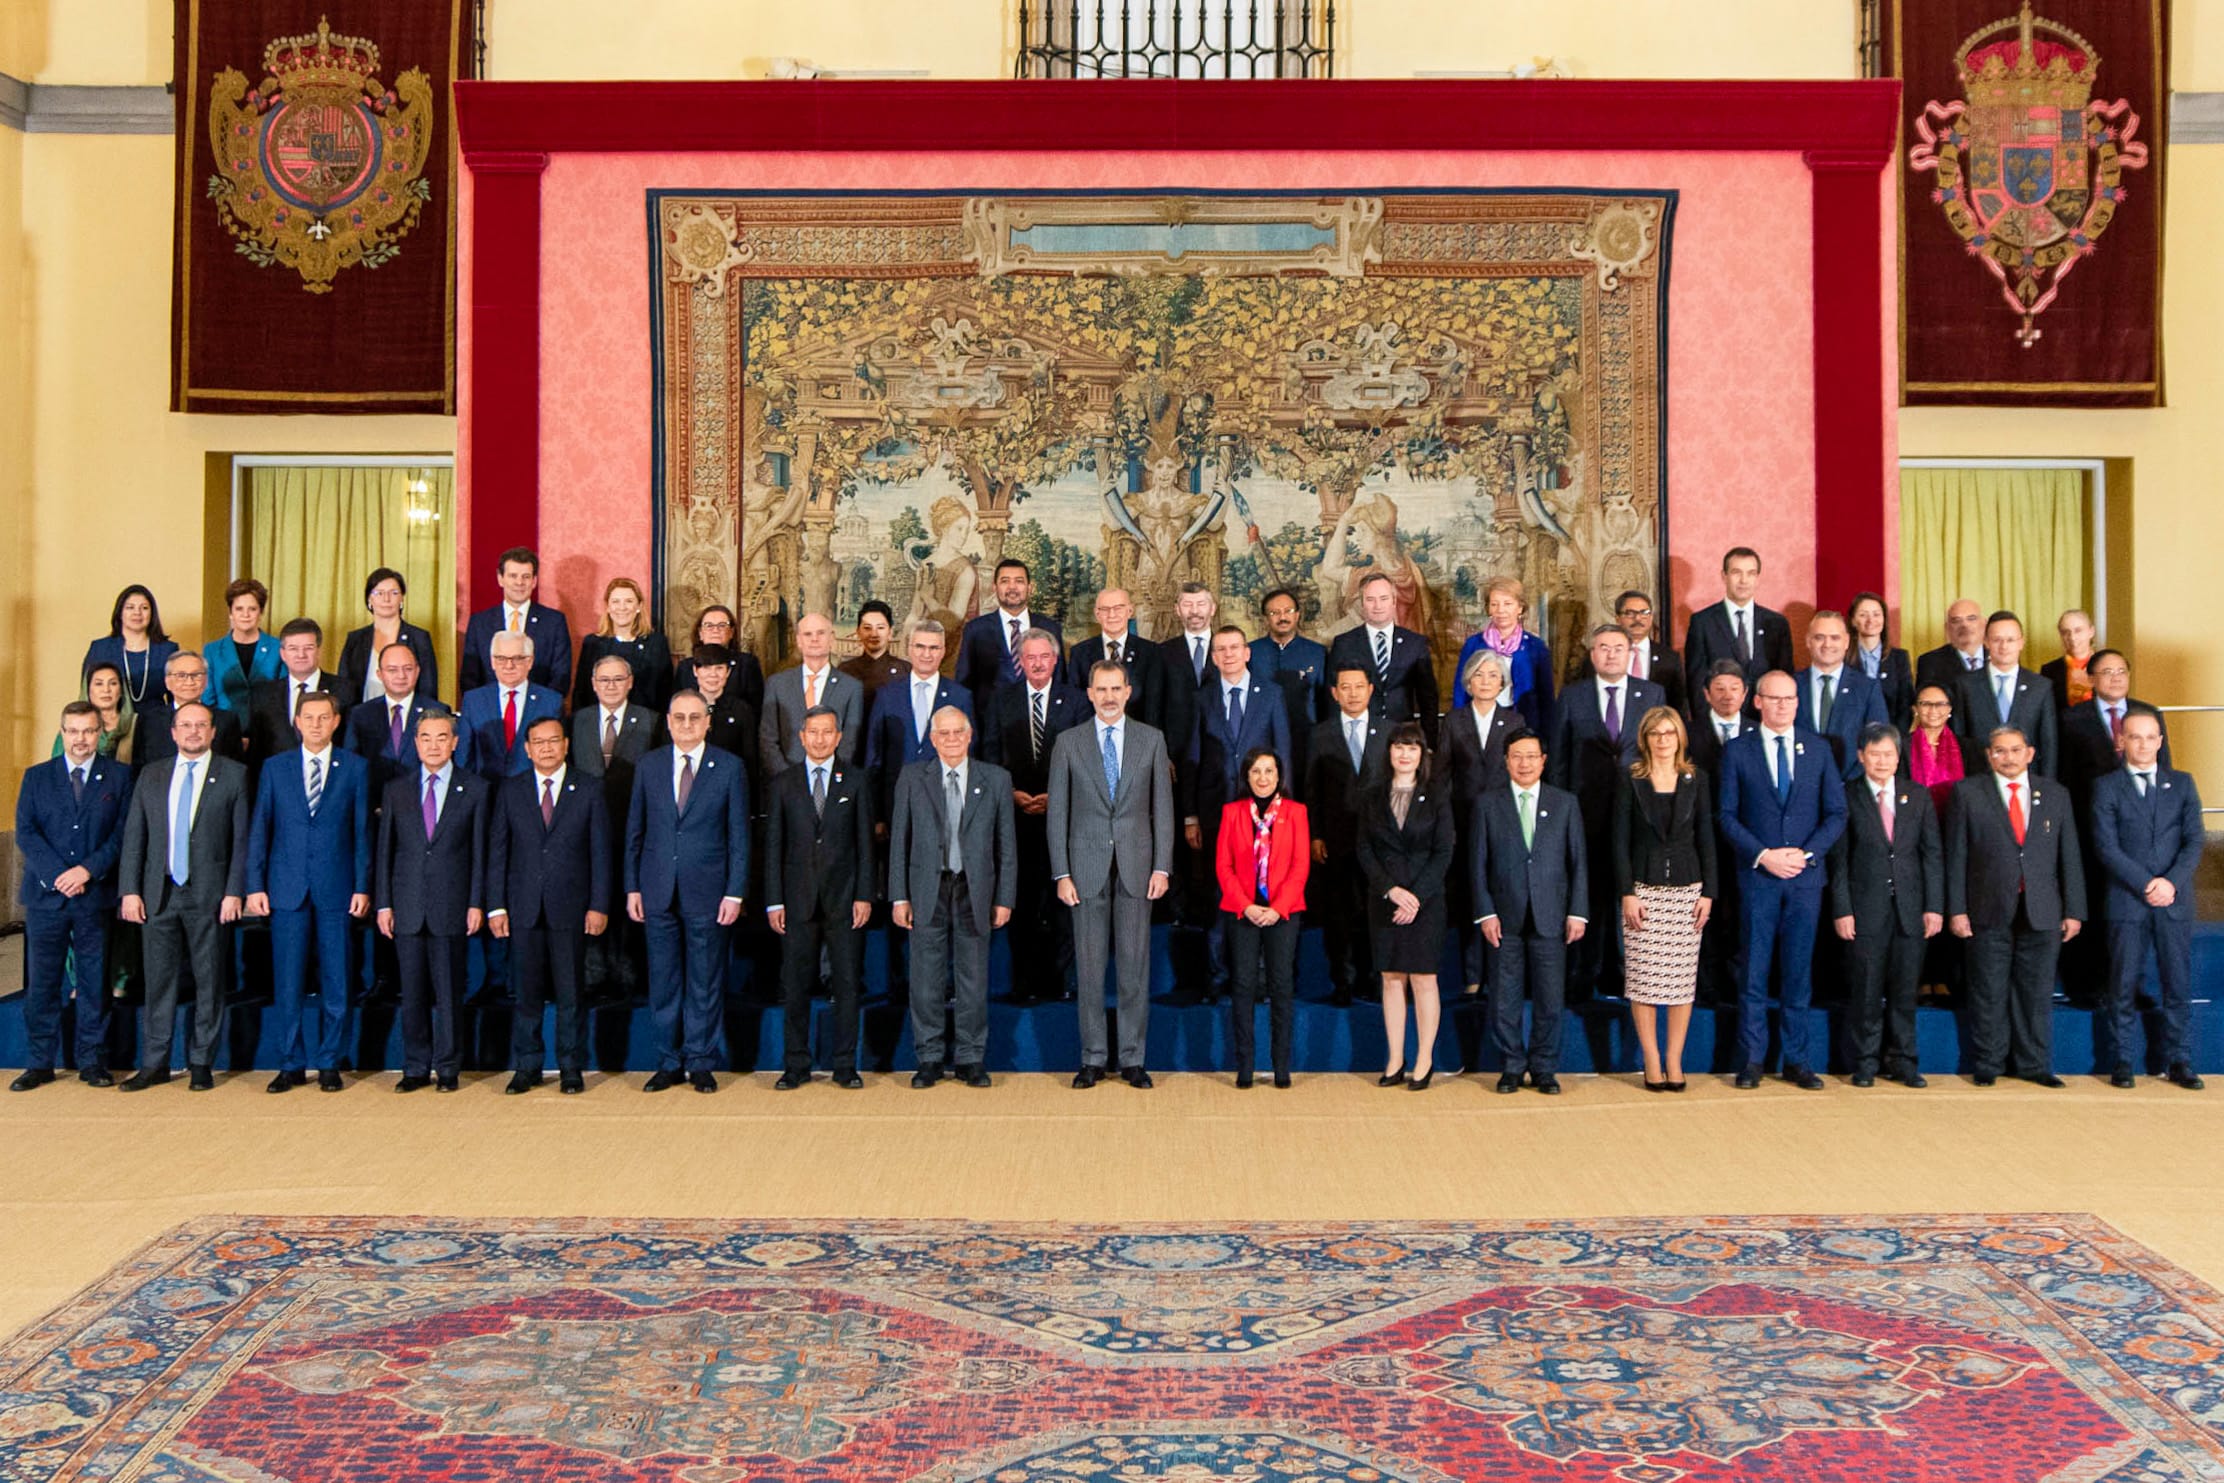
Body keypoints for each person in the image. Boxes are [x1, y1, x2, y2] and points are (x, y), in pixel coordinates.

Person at [1718, 670, 1847, 1089]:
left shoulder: (1819, 749)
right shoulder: (1737, 751)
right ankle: (1752, 1060)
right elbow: (1727, 815)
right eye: (1774, 699)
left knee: (1798, 973)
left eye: (1789, 699)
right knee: (1753, 972)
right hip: (1758, 877)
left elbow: (1836, 813)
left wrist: (1806, 855)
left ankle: (1797, 1060)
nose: (1783, 706)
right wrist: (1764, 856)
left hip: (1805, 879)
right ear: (1758, 702)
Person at [1049, 661, 1175, 1088]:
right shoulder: (1068, 742)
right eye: (1101, 689)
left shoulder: (1151, 739)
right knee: (1088, 970)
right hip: (1084, 871)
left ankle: (1133, 1059)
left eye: (1115, 688)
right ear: (1089, 693)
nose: (1108, 697)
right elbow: (1057, 814)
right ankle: (1093, 1059)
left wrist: (1162, 866)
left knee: (1134, 969)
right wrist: (1062, 873)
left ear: (1128, 691)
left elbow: (1163, 809)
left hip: (1137, 869)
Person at [118, 702, 250, 1091]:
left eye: (201, 725)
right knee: (158, 982)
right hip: (158, 893)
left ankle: (201, 1062)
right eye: (186, 725)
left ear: (213, 732)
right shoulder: (152, 774)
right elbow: (135, 837)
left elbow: (241, 840)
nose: (193, 731)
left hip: (210, 894)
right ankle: (155, 1063)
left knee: (209, 980)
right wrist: (130, 890)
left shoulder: (235, 774)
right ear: (173, 732)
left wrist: (234, 891)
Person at [244, 692, 370, 1093]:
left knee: (337, 980)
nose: (316, 724)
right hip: (287, 888)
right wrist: (254, 885)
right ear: (296, 722)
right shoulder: (275, 767)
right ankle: (291, 1062)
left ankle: (330, 1061)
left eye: (323, 717)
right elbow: (261, 828)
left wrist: (362, 885)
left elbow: (362, 832)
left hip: (337, 887)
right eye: (308, 717)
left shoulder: (355, 767)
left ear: (336, 722)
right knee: (288, 981)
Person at [1945, 725, 2085, 1087]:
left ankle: (2034, 1064)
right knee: (1988, 990)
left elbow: (2069, 855)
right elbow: (1956, 856)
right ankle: (1989, 1063)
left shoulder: (2055, 794)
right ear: (1989, 755)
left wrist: (2074, 910)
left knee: (2035, 993)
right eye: (2000, 751)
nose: (2008, 757)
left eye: (2015, 750)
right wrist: (1956, 909)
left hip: (2042, 909)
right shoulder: (1967, 793)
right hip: (1986, 907)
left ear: (2030, 753)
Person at [626, 689, 750, 1093]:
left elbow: (739, 836)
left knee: (705, 980)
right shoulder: (649, 765)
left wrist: (734, 892)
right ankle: (668, 1061)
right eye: (679, 717)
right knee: (663, 980)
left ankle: (699, 1060)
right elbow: (635, 831)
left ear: (708, 722)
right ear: (668, 721)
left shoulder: (729, 767)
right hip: (657, 888)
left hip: (709, 891)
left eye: (695, 717)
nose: (687, 725)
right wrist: (632, 887)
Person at [890, 706, 1016, 1088]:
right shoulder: (913, 777)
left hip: (975, 891)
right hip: (926, 890)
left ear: (970, 734)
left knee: (973, 979)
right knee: (925, 980)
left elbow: (1006, 846)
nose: (951, 739)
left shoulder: (996, 779)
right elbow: (899, 841)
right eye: (943, 733)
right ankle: (929, 1058)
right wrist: (899, 896)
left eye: (957, 732)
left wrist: (1004, 898)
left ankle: (970, 1058)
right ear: (932, 739)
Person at [486, 716, 611, 1095]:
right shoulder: (511, 790)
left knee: (571, 993)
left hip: (571, 907)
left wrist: (599, 905)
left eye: (553, 741)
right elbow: (498, 851)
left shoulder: (589, 788)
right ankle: (528, 1066)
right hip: (522, 907)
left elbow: (601, 852)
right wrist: (496, 906)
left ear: (566, 744)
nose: (546, 748)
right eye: (538, 742)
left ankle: (571, 1067)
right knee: (527, 993)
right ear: (527, 749)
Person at [13, 703, 128, 1090]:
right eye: (73, 731)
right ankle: (39, 1063)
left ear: (100, 733)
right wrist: (58, 875)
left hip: (95, 894)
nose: (81, 739)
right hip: (47, 897)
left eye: (89, 731)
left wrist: (87, 871)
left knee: (94, 983)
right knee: (42, 984)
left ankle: (92, 1061)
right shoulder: (36, 777)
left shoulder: (119, 776)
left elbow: (122, 833)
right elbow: (26, 831)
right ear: (62, 733)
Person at [2088, 712, 2203, 1090]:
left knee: (2177, 983)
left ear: (2160, 741)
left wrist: (2169, 882)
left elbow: (2194, 841)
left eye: (2150, 737)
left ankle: (2179, 1060)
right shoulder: (2106, 787)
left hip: (2174, 899)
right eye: (2134, 737)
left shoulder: (2183, 783)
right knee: (2122, 983)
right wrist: (2146, 883)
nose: (2142, 744)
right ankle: (2122, 1060)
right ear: (2121, 741)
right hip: (2127, 899)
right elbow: (2106, 846)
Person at [375, 711, 489, 1092]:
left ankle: (448, 1066)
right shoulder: (397, 789)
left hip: (452, 904)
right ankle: (415, 1067)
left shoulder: (475, 788)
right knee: (412, 992)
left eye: (442, 737)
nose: (434, 745)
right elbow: (386, 851)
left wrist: (476, 902)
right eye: (426, 738)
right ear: (416, 743)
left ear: (455, 742)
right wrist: (384, 904)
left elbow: (480, 852)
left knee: (449, 991)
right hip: (406, 905)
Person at [1470, 726, 1587, 1095]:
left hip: (1552, 915)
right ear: (1506, 761)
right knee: (1504, 998)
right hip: (1503, 917)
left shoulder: (1565, 803)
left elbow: (1578, 863)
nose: (1524, 763)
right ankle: (1511, 1065)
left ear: (1544, 761)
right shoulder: (1487, 804)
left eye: (1531, 756)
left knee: (1550, 998)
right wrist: (1485, 912)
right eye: (1517, 756)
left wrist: (1578, 912)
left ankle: (1544, 1067)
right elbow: (1477, 864)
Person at [1548, 624, 1663, 1000]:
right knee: (1588, 890)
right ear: (1593, 654)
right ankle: (1585, 972)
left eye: (1618, 647)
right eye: (1603, 647)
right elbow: (1559, 758)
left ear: (1630, 653)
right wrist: (1560, 810)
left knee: (1628, 891)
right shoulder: (1572, 695)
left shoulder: (1652, 694)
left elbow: (1661, 754)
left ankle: (1624, 973)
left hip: (1637, 810)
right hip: (1585, 810)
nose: (1611, 654)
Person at [764, 706, 876, 1089]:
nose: (820, 739)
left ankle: (845, 1066)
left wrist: (864, 895)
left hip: (845, 900)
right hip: (796, 901)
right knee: (795, 988)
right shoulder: (783, 783)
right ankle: (796, 1065)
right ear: (802, 736)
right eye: (813, 732)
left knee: (846, 986)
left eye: (827, 732)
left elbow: (866, 845)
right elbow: (774, 846)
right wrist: (774, 900)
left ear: (839, 736)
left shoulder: (856, 780)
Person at [1178, 626, 1292, 1002]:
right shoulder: (1202, 699)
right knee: (1218, 896)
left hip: (1263, 815)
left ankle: (1257, 979)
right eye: (1221, 650)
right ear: (1213, 658)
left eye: (1234, 648)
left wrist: (1283, 813)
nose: (1228, 655)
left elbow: (1283, 754)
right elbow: (1192, 760)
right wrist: (1191, 816)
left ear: (1247, 652)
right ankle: (1218, 976)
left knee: (1261, 893)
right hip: (1215, 814)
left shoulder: (1271, 694)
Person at [1826, 723, 1942, 1088]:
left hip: (1910, 910)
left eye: (1888, 754)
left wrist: (1934, 906)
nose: (1881, 761)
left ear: (1898, 756)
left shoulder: (1917, 795)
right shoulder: (1846, 796)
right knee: (1865, 991)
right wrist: (1842, 909)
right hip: (1864, 910)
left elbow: (1932, 855)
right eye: (1874, 754)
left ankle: (1904, 1061)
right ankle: (1865, 1063)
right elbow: (1839, 861)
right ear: (1861, 756)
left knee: (1905, 992)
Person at [983, 628, 1088, 1004]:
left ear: (1055, 660)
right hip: (1015, 816)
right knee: (1023, 901)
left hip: (1065, 817)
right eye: (1031, 657)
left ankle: (1062, 981)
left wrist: (1057, 796)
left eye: (1045, 656)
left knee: (1063, 902)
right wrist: (1008, 792)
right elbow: (990, 752)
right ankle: (1024, 983)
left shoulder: (1077, 701)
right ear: (1021, 662)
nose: (1038, 663)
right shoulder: (1001, 699)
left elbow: (1084, 756)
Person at [1614, 707, 1716, 1091]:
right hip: (1643, 891)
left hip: (1687, 892)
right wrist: (1627, 892)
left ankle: (1674, 1058)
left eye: (1669, 733)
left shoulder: (1696, 779)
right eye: (1655, 734)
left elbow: (1706, 837)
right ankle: (1651, 1059)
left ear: (1679, 738)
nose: (1662, 740)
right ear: (1645, 739)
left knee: (1680, 982)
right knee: (1644, 980)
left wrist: (1709, 892)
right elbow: (1619, 841)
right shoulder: (1630, 778)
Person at [1358, 723, 1456, 1089]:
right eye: (1399, 746)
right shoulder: (1372, 795)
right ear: (1389, 752)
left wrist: (1416, 896)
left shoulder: (1437, 795)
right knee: (1392, 978)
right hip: (1385, 901)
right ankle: (1395, 1059)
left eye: (1412, 747)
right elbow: (1364, 848)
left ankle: (1424, 1059)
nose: (1404, 754)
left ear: (1422, 754)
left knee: (1423, 978)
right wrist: (1390, 890)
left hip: (1426, 902)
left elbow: (1443, 851)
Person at [1216, 748, 1309, 1088]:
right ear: (1246, 776)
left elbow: (1300, 866)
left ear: (1279, 776)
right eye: (1256, 771)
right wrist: (1246, 905)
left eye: (1269, 771)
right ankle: (1246, 1065)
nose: (1263, 778)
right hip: (1243, 912)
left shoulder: (1296, 812)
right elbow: (1223, 866)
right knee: (1243, 986)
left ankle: (1281, 1065)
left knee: (1281, 986)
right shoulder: (1232, 812)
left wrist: (1277, 908)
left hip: (1282, 913)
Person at [571, 654, 660, 1000]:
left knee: (628, 900)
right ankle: (593, 976)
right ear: (593, 684)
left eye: (618, 679)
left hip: (633, 827)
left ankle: (627, 976)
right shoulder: (578, 721)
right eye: (604, 680)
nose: (611, 686)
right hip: (586, 830)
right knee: (592, 899)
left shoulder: (650, 720)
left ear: (630, 682)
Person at [1302, 664, 1386, 1006]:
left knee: (1376, 912)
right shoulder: (1319, 734)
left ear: (1370, 690)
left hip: (1380, 842)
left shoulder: (1390, 731)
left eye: (1359, 686)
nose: (1352, 694)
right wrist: (1315, 834)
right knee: (1339, 913)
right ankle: (1343, 981)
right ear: (1334, 693)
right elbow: (1311, 789)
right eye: (1345, 688)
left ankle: (1374, 979)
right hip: (1335, 840)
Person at [1443, 650, 1520, 996]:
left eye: (1493, 675)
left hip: (1504, 822)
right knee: (1469, 896)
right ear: (1468, 682)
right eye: (1479, 675)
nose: (1486, 681)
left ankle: (1501, 975)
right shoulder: (1454, 721)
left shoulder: (1515, 722)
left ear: (1502, 683)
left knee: (1504, 896)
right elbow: (1442, 776)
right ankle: (1472, 975)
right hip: (1463, 821)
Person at [1686, 661, 1754, 1008]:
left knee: (1743, 911)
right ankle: (1708, 985)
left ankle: (1740, 983)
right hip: (1703, 835)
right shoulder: (1688, 733)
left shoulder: (1758, 732)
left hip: (1748, 839)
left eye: (1734, 689)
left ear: (1746, 693)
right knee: (1706, 911)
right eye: (1719, 689)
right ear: (1706, 694)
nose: (1727, 696)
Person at [864, 620, 971, 827]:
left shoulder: (961, 697)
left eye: (934, 648)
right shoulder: (887, 695)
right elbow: (874, 757)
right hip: (895, 806)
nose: (926, 654)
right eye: (920, 646)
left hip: (946, 808)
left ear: (943, 651)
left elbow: (970, 754)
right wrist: (876, 815)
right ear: (909, 649)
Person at [1329, 572, 1440, 745]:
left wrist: (1429, 743)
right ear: (1362, 603)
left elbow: (1428, 699)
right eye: (1370, 599)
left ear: (1394, 601)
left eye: (1383, 598)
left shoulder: (1415, 643)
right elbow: (1332, 698)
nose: (1377, 606)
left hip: (1402, 738)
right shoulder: (1344, 643)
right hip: (1358, 739)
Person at [1954, 610, 2058, 779]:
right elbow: (1959, 738)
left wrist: (2046, 785)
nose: (2004, 646)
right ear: (1986, 642)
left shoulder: (2040, 686)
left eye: (2010, 640)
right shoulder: (1966, 685)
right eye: (1997, 640)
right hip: (1979, 780)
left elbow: (2049, 743)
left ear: (2021, 643)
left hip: (2027, 780)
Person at [760, 612, 864, 777]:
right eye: (808, 634)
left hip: (833, 781)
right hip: (786, 780)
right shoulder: (777, 684)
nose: (814, 639)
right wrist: (788, 779)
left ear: (832, 638)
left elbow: (849, 742)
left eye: (821, 633)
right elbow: (768, 739)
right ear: (798, 641)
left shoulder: (851, 687)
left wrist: (828, 777)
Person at [954, 558, 1062, 716]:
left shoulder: (1050, 629)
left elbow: (1060, 681)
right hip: (988, 723)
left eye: (1019, 581)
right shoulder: (975, 629)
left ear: (1030, 587)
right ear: (994, 587)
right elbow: (963, 683)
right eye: (1005, 581)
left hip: (1039, 721)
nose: (1012, 587)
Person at [461, 545, 573, 697]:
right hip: (490, 708)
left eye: (526, 577)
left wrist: (543, 706)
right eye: (513, 576)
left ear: (534, 581)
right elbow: (469, 677)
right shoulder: (479, 623)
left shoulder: (554, 622)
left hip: (540, 707)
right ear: (500, 579)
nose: (519, 582)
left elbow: (561, 675)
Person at [1683, 547, 1794, 693]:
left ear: (1758, 578)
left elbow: (1784, 678)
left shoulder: (1777, 624)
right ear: (1724, 576)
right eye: (1736, 572)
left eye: (1751, 573)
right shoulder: (1702, 622)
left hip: (1764, 706)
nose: (1744, 580)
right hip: (1721, 706)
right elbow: (1696, 682)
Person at [1452, 577, 1556, 732]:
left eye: (1507, 604)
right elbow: (1460, 691)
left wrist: (1545, 738)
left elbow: (1546, 698)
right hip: (1480, 724)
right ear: (1488, 609)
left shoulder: (1536, 647)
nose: (1500, 610)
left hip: (1524, 725)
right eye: (1494, 604)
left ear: (1520, 607)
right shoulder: (1473, 645)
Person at [1794, 609, 1888, 779]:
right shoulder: (1791, 685)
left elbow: (1877, 741)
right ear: (1808, 641)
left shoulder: (1867, 688)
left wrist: (1849, 783)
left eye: (1835, 638)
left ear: (1846, 642)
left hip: (1851, 786)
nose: (1827, 644)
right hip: (1800, 785)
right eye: (1819, 637)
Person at [345, 644, 444, 803]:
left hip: (422, 803)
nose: (401, 675)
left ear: (417, 671)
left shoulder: (437, 710)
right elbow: (352, 764)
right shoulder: (361, 714)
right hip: (374, 803)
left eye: (408, 669)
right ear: (379, 674)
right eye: (392, 670)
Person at [459, 632, 564, 781]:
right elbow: (464, 756)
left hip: (531, 789)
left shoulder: (551, 701)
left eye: (517, 658)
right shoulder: (473, 700)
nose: (509, 666)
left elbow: (557, 756)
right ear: (492, 662)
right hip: (486, 789)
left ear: (530, 661)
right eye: (501, 658)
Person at [1068, 587, 1170, 734]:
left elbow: (1154, 706)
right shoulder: (1080, 653)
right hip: (1092, 737)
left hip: (1138, 737)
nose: (1112, 615)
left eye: (1118, 608)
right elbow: (1075, 703)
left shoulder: (1151, 652)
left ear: (1130, 611)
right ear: (1097, 614)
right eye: (1105, 609)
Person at [1571, 589, 1686, 718]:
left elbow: (1679, 706)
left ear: (1651, 617)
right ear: (1617, 619)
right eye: (1630, 613)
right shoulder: (1599, 656)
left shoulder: (1669, 658)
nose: (1638, 618)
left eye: (1644, 612)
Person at [336, 568, 439, 710]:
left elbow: (428, 688)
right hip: (363, 717)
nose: (386, 599)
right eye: (379, 593)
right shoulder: (355, 639)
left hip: (407, 717)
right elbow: (344, 689)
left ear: (402, 598)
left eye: (394, 593)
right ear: (369, 599)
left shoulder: (419, 638)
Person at [247, 618, 341, 767]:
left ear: (319, 651)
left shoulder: (344, 690)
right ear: (283, 654)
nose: (301, 655)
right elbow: (256, 752)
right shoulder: (262, 695)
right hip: (278, 776)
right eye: (293, 648)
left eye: (308, 648)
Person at [572, 577, 672, 715]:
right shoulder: (592, 644)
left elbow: (666, 692)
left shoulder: (656, 644)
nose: (622, 607)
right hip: (601, 722)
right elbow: (581, 692)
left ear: (639, 606)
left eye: (629, 601)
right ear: (608, 607)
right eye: (616, 601)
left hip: (647, 721)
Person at [135, 652, 244, 770]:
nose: (189, 681)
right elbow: (139, 766)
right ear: (167, 682)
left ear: (206, 680)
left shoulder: (226, 720)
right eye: (181, 675)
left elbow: (235, 769)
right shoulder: (149, 720)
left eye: (196, 675)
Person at [82, 584, 178, 713]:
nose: (137, 613)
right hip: (110, 720)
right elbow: (86, 693)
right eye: (130, 607)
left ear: (152, 614)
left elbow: (176, 695)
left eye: (144, 608)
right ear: (120, 613)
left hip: (157, 720)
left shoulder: (168, 650)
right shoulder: (100, 648)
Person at [1249, 587, 1329, 737]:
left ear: (1297, 615)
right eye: (1274, 613)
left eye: (1288, 611)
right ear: (1265, 619)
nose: (1282, 617)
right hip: (1261, 736)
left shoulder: (1317, 653)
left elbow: (1325, 702)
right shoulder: (1250, 652)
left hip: (1307, 735)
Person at [1155, 581, 1221, 757]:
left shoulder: (1228, 650)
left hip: (1221, 752)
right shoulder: (1161, 653)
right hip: (1176, 753)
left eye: (1201, 604)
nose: (1194, 611)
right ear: (1177, 610)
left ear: (1212, 609)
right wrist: (1161, 754)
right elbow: (1154, 709)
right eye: (1187, 605)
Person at [200, 578, 283, 714]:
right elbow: (208, 698)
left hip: (267, 723)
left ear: (261, 612)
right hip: (224, 723)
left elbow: (283, 695)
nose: (245, 615)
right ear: (230, 613)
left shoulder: (277, 648)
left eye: (252, 609)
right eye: (239, 609)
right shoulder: (212, 650)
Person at [672, 605, 767, 715]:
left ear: (731, 632)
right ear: (700, 633)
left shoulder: (747, 664)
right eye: (709, 625)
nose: (715, 630)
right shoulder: (685, 667)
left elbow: (756, 707)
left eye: (722, 625)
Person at [1847, 591, 1916, 733]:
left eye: (1876, 614)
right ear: (1853, 621)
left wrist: (1893, 739)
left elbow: (1905, 706)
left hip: (1891, 737)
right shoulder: (1843, 659)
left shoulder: (1899, 658)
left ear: (1884, 619)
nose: (1870, 620)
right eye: (1863, 615)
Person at [1906, 684, 1965, 812]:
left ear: (1950, 709)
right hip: (1914, 816)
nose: (1933, 710)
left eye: (1941, 704)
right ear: (1915, 709)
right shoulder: (1900, 746)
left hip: (1957, 817)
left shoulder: (1969, 748)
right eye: (1926, 704)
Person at [1914, 597, 1989, 696]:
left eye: (1971, 618)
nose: (1964, 625)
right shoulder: (1930, 662)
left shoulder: (2000, 657)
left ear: (1984, 624)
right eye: (1956, 620)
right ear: (1947, 628)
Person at [67, 663, 136, 765]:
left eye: (113, 683)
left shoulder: (136, 724)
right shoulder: (72, 726)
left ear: (121, 690)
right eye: (99, 684)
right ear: (87, 689)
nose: (106, 690)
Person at [838, 600, 907, 702]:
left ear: (890, 632)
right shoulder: (845, 671)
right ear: (858, 632)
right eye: (867, 628)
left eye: (880, 628)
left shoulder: (905, 670)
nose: (874, 634)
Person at [2041, 608, 2099, 714]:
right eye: (2065, 632)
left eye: (2078, 630)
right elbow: (2047, 713)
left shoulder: (2107, 666)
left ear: (2091, 631)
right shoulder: (2049, 671)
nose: (2072, 637)